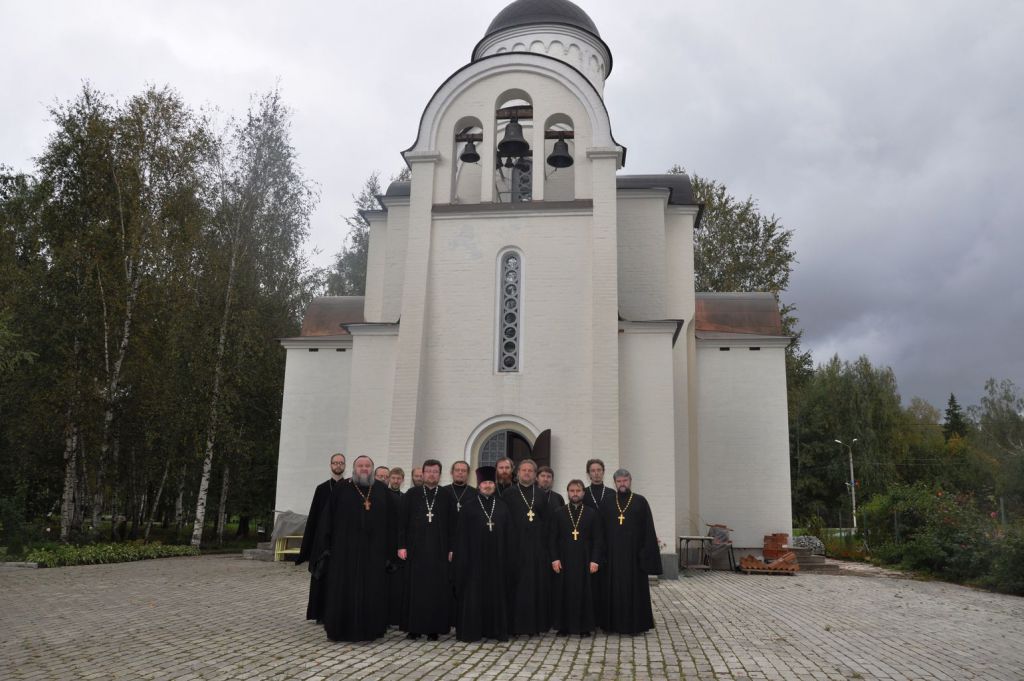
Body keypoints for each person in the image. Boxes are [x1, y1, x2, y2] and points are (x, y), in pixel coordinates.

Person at [314, 455, 397, 642]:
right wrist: (326, 547)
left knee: (372, 590)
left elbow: (392, 523)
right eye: (360, 466)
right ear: (354, 468)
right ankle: (340, 629)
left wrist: (390, 551)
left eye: (368, 466)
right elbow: (327, 518)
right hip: (344, 552)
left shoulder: (382, 490)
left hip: (373, 553)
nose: (364, 469)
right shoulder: (342, 489)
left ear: (372, 469)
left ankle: (372, 629)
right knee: (343, 590)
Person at [597, 468, 662, 635]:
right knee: (612, 590)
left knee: (634, 590)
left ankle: (635, 625)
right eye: (619, 481)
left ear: (630, 481)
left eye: (625, 480)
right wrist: (601, 554)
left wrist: (645, 555)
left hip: (634, 556)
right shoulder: (607, 502)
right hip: (612, 556)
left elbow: (648, 530)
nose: (622, 484)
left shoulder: (640, 501)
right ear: (615, 482)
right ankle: (611, 625)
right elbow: (600, 531)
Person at [398, 459, 455, 640]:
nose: (432, 474)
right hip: (416, 550)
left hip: (439, 550)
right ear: (422, 474)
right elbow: (402, 523)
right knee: (415, 588)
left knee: (436, 589)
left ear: (440, 474)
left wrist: (452, 548)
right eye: (428, 471)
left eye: (435, 471)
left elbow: (454, 526)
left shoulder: (447, 496)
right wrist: (401, 546)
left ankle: (433, 629)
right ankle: (413, 628)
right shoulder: (411, 494)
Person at [453, 466, 511, 642]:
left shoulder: (502, 506)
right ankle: (472, 632)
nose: (487, 485)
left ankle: (495, 631)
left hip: (497, 560)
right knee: (474, 595)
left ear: (494, 485)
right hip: (474, 561)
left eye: (490, 482)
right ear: (478, 485)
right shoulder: (468, 507)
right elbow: (461, 536)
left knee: (496, 594)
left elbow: (509, 535)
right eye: (484, 482)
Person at [501, 458, 553, 635]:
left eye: (530, 471)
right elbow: (504, 521)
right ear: (517, 473)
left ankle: (534, 626)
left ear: (535, 475)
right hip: (515, 548)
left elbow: (546, 522)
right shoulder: (508, 494)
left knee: (534, 587)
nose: (527, 473)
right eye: (524, 470)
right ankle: (515, 626)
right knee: (516, 587)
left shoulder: (540, 494)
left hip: (536, 549)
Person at [549, 479, 603, 637]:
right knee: (563, 592)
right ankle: (563, 626)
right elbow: (552, 538)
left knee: (585, 592)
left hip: (585, 559)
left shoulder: (591, 513)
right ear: (568, 493)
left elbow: (598, 539)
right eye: (572, 491)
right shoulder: (559, 512)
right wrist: (554, 559)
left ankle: (584, 627)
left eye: (578, 491)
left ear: (583, 493)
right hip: (564, 559)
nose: (575, 494)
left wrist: (595, 560)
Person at [295, 452, 345, 623]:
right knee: (321, 575)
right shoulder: (322, 488)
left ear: (345, 466)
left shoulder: (348, 487)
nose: (338, 465)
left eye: (341, 463)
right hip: (322, 541)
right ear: (330, 465)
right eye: (335, 463)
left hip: (341, 541)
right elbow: (314, 517)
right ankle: (320, 613)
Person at [386, 468, 407, 628]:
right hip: (385, 544)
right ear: (389, 479)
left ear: (402, 480)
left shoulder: (405, 498)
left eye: (398, 478)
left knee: (397, 583)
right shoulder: (382, 496)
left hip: (398, 544)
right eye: (393, 478)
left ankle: (395, 616)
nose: (395, 481)